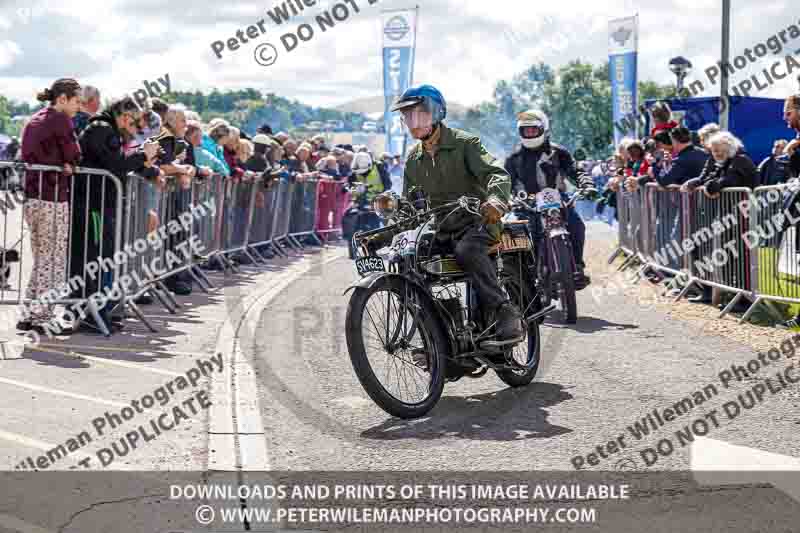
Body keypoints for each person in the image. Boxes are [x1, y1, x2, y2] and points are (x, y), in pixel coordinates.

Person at [393, 84, 523, 344]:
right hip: (442, 228)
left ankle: (504, 310)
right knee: (407, 258)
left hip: (479, 223)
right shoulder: (413, 160)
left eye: (420, 113)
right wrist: (393, 217)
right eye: (408, 116)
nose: (413, 121)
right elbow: (410, 205)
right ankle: (439, 335)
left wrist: (496, 201)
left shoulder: (466, 143)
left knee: (467, 251)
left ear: (437, 113)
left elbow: (495, 173)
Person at [74, 95, 161, 331]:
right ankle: (91, 313)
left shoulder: (107, 129)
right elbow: (116, 165)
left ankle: (99, 310)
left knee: (104, 258)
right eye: (134, 123)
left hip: (102, 203)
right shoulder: (102, 129)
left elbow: (118, 164)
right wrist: (144, 156)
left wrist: (147, 167)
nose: (135, 130)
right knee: (96, 258)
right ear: (124, 117)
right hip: (94, 204)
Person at [18, 78, 83, 332]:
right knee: (53, 259)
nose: (79, 106)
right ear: (62, 99)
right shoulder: (59, 119)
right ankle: (42, 316)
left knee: (42, 258)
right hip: (52, 197)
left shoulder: (35, 118)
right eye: (76, 101)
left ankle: (28, 314)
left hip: (33, 197)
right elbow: (74, 153)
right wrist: (70, 165)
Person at [505, 109, 595, 289]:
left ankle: (576, 267)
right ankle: (523, 277)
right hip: (527, 203)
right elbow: (504, 182)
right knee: (515, 234)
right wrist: (503, 199)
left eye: (533, 130)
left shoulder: (559, 152)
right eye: (526, 130)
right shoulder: (513, 158)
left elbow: (574, 170)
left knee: (577, 225)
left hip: (557, 198)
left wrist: (586, 184)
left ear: (544, 129)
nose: (529, 134)